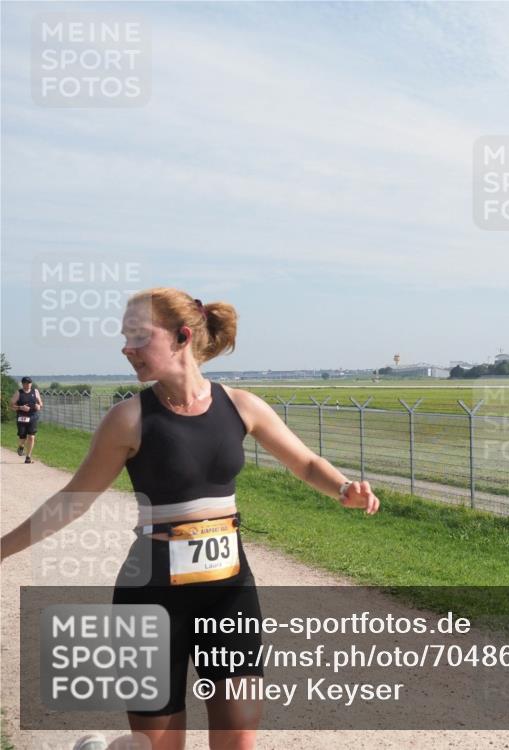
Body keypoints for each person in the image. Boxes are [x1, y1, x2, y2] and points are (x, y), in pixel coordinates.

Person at [1, 287, 380, 750]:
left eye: (139, 336)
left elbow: (304, 462)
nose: (126, 347)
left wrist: (344, 488)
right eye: (124, 337)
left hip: (229, 593)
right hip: (150, 599)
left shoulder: (241, 406)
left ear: (182, 337)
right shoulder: (129, 419)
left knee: (238, 739)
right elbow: (73, 500)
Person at [11, 376, 43, 463]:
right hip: (22, 417)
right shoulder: (19, 393)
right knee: (22, 437)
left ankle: (28, 457)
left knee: (31, 437)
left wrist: (39, 406)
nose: (28, 384)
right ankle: (21, 446)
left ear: (31, 383)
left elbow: (41, 403)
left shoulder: (35, 391)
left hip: (33, 416)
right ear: (22, 384)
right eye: (25, 383)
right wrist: (21, 407)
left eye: (29, 383)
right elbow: (12, 406)